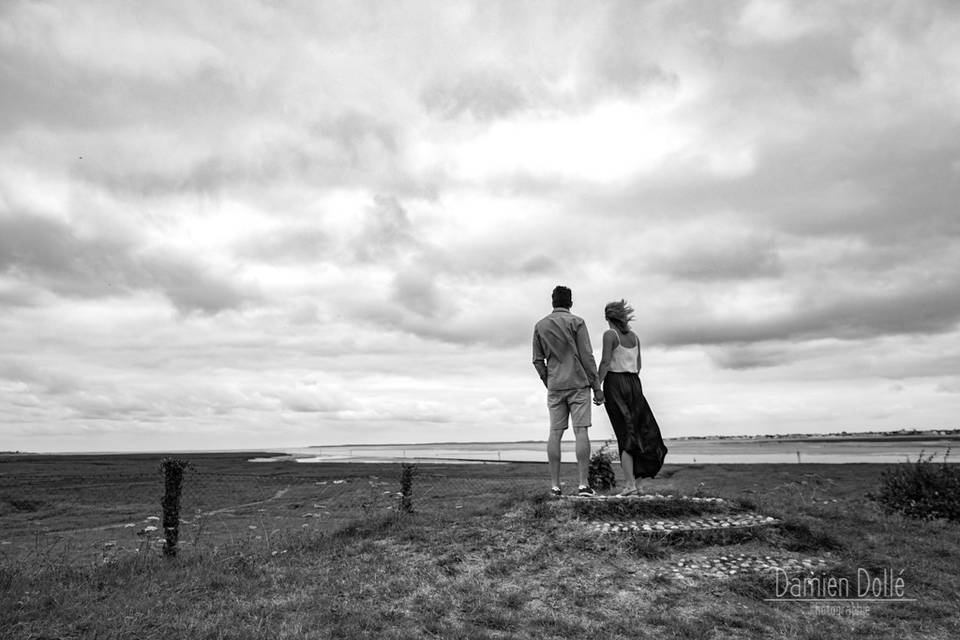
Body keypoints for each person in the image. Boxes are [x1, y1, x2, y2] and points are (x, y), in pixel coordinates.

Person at [532, 285, 604, 497]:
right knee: (581, 431)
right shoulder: (577, 322)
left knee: (555, 433)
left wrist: (549, 381)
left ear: (552, 302)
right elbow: (587, 356)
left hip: (555, 384)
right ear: (570, 302)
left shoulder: (540, 325)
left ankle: (555, 486)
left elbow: (537, 360)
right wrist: (597, 387)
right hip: (578, 384)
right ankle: (583, 485)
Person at [597, 299, 668, 496]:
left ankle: (629, 485)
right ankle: (639, 484)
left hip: (615, 383)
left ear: (608, 318)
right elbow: (639, 366)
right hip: (635, 384)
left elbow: (605, 362)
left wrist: (597, 386)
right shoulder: (635, 337)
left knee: (624, 432)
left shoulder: (609, 334)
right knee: (639, 431)